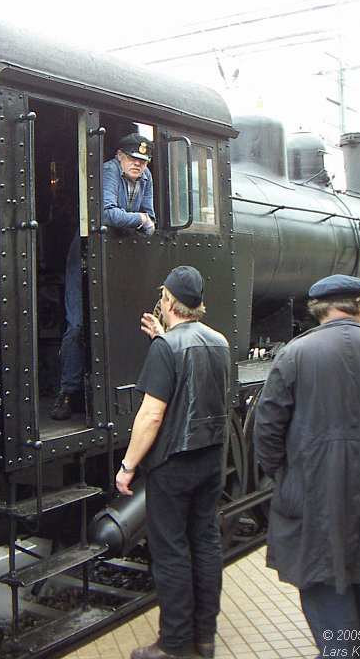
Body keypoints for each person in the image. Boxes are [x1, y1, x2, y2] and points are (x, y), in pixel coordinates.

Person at [254, 273, 360, 658]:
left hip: (315, 496)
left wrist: (288, 476)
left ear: (317, 309)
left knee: (329, 601)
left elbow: (267, 430)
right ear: (358, 305)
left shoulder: (295, 354)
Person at [115, 266, 230, 659]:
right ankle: (204, 637)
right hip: (211, 459)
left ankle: (175, 643)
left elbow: (151, 416)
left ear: (168, 303)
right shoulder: (219, 341)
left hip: (173, 464)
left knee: (171, 552)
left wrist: (128, 466)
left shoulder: (165, 349)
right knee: (205, 543)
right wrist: (163, 342)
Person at [51, 132, 156, 420]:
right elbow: (107, 215)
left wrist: (140, 220)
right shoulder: (108, 172)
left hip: (118, 254)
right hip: (85, 253)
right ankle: (67, 391)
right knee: (77, 324)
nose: (139, 165)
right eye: (134, 159)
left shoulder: (145, 177)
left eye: (143, 161)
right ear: (120, 156)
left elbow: (152, 220)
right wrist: (139, 220)